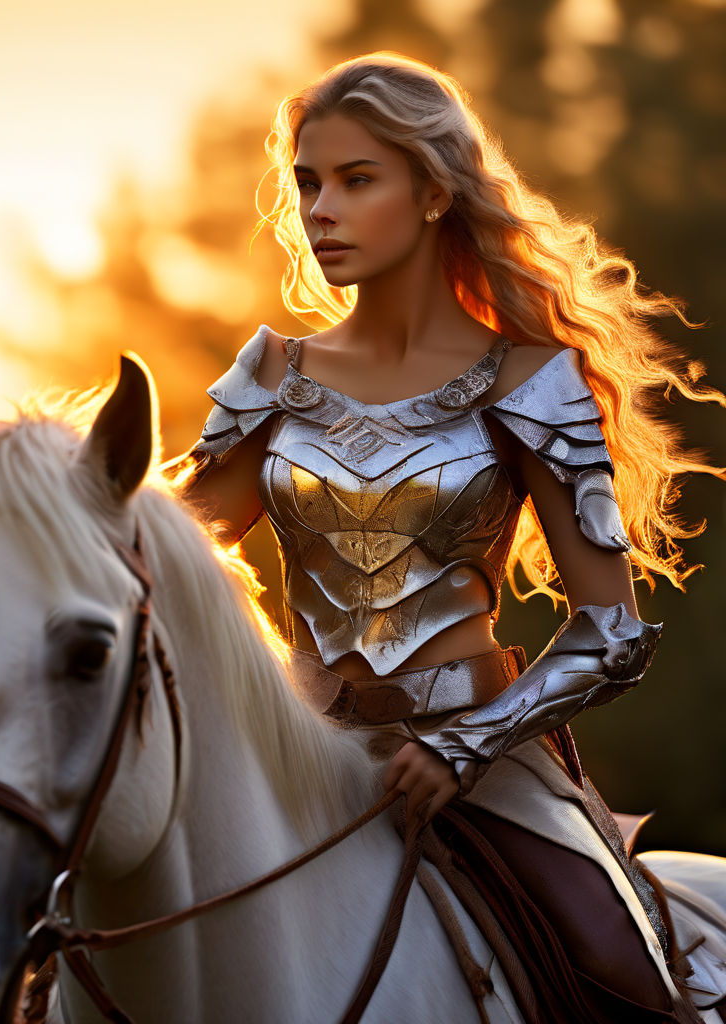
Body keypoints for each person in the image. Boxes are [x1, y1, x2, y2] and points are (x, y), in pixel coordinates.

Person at [178, 52, 725, 1022]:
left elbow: (613, 632)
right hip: (297, 753)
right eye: (306, 182)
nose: (319, 210)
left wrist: (463, 746)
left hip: (480, 763)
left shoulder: (530, 379)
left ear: (432, 192)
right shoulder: (266, 374)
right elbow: (157, 560)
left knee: (630, 978)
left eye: (355, 180)